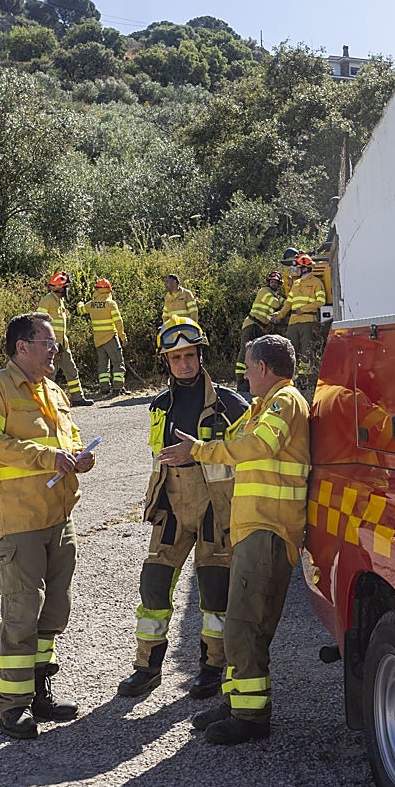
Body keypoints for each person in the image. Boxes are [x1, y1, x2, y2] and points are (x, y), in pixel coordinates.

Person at [158, 334, 310, 745]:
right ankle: (235, 701)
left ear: (262, 367)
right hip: (254, 529)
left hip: (268, 531)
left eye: (247, 366)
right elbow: (236, 446)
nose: (244, 375)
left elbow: (256, 446)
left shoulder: (284, 401)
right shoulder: (264, 405)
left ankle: (250, 716)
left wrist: (201, 451)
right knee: (238, 622)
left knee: (245, 624)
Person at [0, 312, 97, 740]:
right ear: (22, 347)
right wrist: (46, 458)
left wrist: (81, 455)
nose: (55, 349)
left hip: (59, 517)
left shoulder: (54, 390)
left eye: (54, 343)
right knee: (22, 613)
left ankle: (40, 692)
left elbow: (69, 438)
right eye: (47, 343)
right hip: (19, 520)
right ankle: (12, 704)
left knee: (53, 610)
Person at [118, 317, 250, 700]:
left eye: (190, 355)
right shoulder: (160, 406)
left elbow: (247, 457)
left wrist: (197, 454)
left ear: (201, 355)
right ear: (166, 361)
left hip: (216, 513)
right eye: (175, 358)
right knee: (153, 586)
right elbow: (159, 461)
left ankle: (211, 669)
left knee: (215, 595)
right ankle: (146, 668)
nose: (184, 364)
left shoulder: (231, 405)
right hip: (173, 510)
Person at [35, 272, 93, 406]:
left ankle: (78, 398)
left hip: (62, 344)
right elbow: (39, 322)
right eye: (66, 287)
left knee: (71, 371)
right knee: (49, 374)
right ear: (60, 288)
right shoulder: (47, 300)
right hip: (51, 345)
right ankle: (48, 402)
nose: (68, 289)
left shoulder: (59, 301)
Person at [272, 253, 326, 386]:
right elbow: (288, 303)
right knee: (290, 350)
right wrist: (279, 315)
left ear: (305, 268)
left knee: (307, 351)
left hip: (308, 321)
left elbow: (321, 301)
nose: (296, 270)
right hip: (293, 323)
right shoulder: (296, 284)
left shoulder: (316, 283)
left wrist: (304, 309)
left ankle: (306, 380)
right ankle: (291, 378)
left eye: (298, 268)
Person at [235, 271, 285, 394]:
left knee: (256, 355)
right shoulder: (264, 291)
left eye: (276, 282)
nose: (273, 284)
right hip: (251, 324)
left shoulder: (274, 294)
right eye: (272, 282)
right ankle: (241, 383)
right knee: (244, 353)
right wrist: (286, 301)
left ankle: (251, 381)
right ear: (268, 282)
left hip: (259, 327)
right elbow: (276, 303)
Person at [78, 278, 127, 397]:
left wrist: (79, 303)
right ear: (108, 289)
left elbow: (81, 310)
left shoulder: (91, 304)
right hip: (111, 338)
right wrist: (123, 337)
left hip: (98, 340)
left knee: (103, 365)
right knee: (118, 362)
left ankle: (104, 388)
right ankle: (118, 388)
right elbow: (118, 321)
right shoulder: (110, 304)